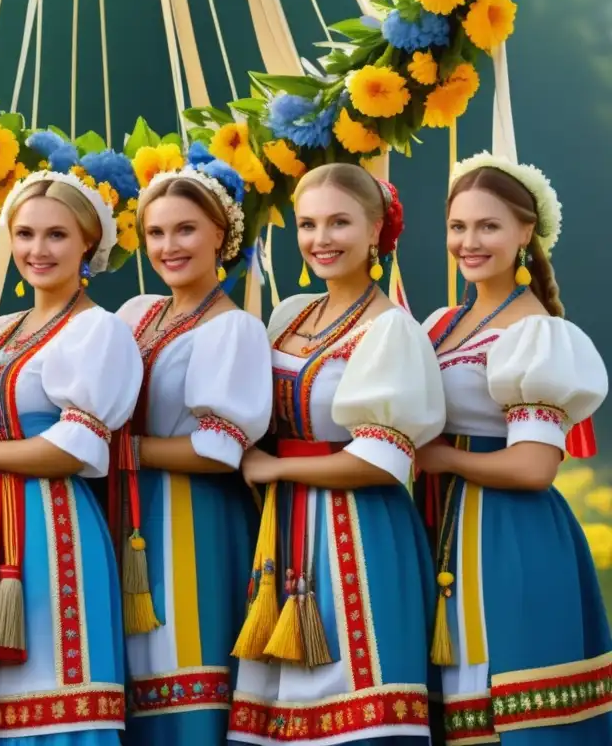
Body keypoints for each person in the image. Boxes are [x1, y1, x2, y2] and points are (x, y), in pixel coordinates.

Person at [0, 168, 142, 743]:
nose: (37, 250)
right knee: (0, 708)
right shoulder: (3, 327)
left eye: (56, 236)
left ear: (88, 245)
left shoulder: (99, 330)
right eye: (24, 235)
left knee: (59, 692)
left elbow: (79, 446)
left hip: (55, 526)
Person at [230, 163, 443, 745]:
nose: (321, 239)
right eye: (307, 224)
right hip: (284, 529)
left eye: (339, 223)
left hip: (359, 530)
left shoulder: (392, 330)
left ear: (377, 230)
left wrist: (276, 468)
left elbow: (382, 460)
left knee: (354, 702)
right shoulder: (288, 314)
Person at [416, 153, 611, 744]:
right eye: (458, 226)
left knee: (510, 710)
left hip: (508, 536)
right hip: (441, 529)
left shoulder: (538, 333)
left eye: (488, 226)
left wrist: (442, 458)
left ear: (526, 232)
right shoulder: (440, 324)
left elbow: (533, 467)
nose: (468, 241)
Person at [116, 148, 273, 744]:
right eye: (155, 233)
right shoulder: (136, 314)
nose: (168, 246)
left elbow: (218, 449)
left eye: (185, 229)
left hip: (194, 517)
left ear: (220, 235)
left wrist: (123, 453)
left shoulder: (233, 328)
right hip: (127, 512)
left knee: (183, 667)